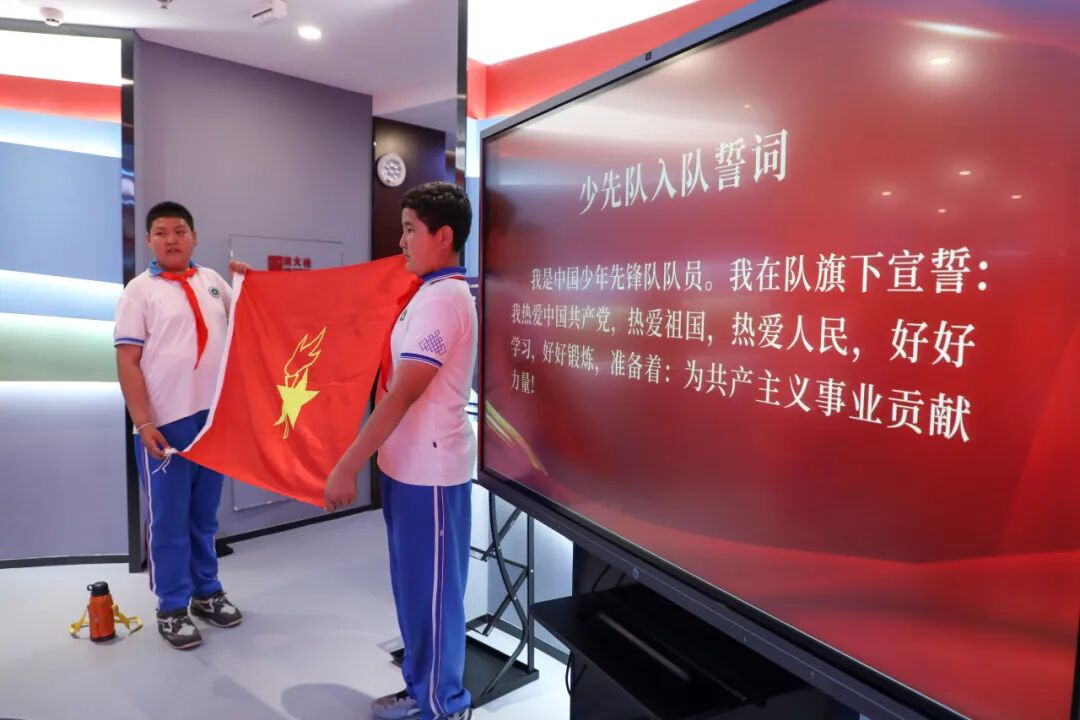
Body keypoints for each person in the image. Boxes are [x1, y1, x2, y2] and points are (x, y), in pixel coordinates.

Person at [324, 181, 476, 720]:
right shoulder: (423, 295)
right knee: (414, 591)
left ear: (444, 236)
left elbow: (403, 394)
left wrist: (348, 465)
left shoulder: (446, 300)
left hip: (431, 473)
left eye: (411, 229)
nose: (402, 240)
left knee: (434, 597)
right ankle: (421, 688)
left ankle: (444, 704)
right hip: (406, 468)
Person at [114, 201, 246, 650]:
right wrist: (143, 421)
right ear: (149, 240)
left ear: (194, 237)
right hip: (165, 425)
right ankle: (171, 605)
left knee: (204, 517)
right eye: (161, 232)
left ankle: (206, 591)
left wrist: (249, 285)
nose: (171, 239)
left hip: (213, 421)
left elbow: (250, 325)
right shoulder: (139, 291)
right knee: (168, 520)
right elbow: (127, 360)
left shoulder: (213, 282)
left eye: (180, 231)